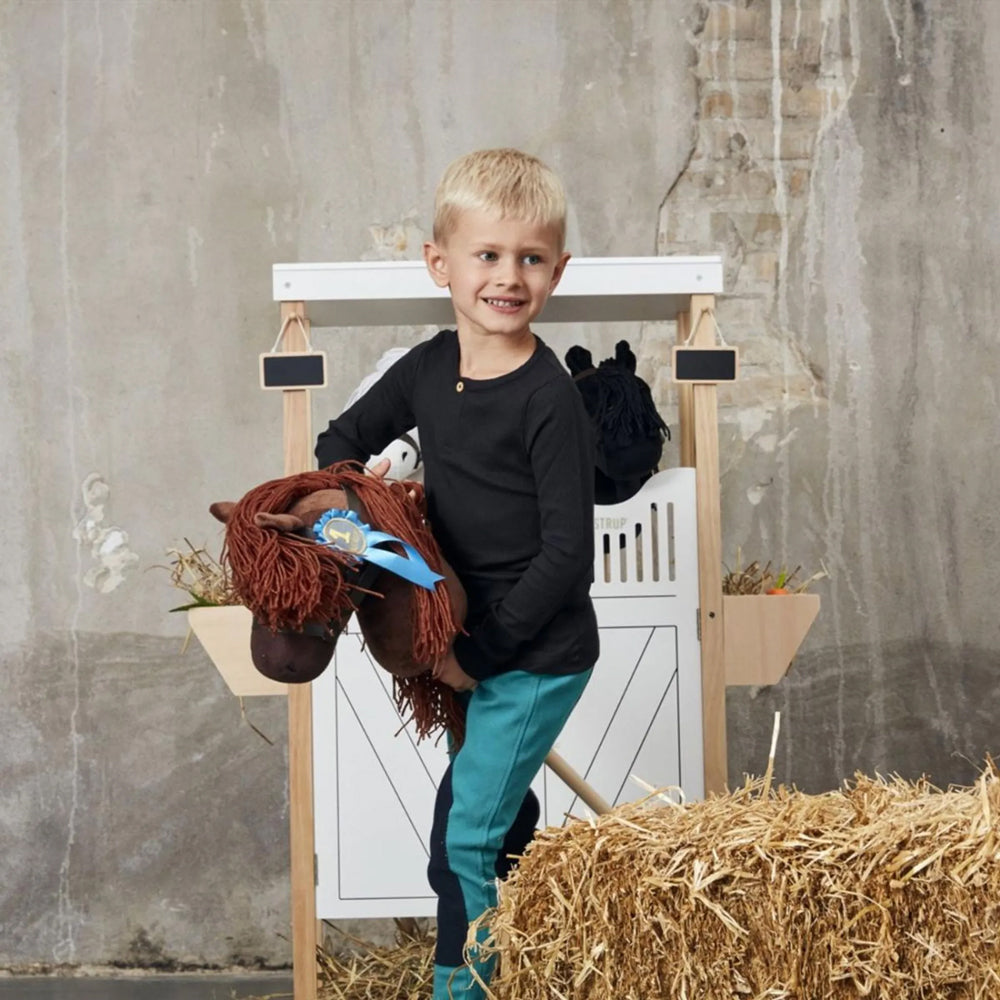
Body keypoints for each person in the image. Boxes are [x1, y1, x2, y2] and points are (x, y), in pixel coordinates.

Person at [315, 148, 599, 998]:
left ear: (557, 271)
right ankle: (532, 952)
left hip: (533, 653)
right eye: (487, 254)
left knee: (463, 838)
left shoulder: (550, 398)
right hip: (463, 634)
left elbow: (567, 557)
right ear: (440, 264)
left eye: (530, 258)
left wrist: (474, 655)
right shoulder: (429, 367)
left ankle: (461, 988)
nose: (508, 277)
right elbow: (339, 442)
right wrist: (368, 509)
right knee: (498, 818)